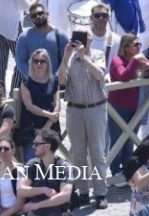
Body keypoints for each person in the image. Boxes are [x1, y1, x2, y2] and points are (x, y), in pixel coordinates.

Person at [57, 26, 108, 209]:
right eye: (77, 36)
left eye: (84, 37)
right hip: (74, 110)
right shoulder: (69, 59)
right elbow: (61, 81)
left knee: (97, 153)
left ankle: (100, 192)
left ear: (90, 41)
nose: (80, 40)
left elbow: (99, 75)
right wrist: (66, 57)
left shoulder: (97, 55)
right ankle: (83, 192)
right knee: (78, 155)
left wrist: (84, 57)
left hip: (95, 108)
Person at [109, 35, 149, 177]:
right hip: (118, 107)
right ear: (126, 46)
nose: (139, 46)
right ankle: (115, 171)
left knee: (129, 141)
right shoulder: (117, 60)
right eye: (135, 44)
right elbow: (123, 76)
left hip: (136, 107)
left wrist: (148, 66)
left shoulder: (139, 58)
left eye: (140, 44)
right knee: (117, 140)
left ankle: (127, 169)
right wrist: (135, 61)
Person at [18, 129, 74, 216]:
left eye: (36, 144)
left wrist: (37, 205)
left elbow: (65, 196)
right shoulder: (32, 164)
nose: (33, 146)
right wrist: (44, 190)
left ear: (47, 146)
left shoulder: (64, 167)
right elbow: (21, 190)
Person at [18, 49, 60, 161]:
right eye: (35, 61)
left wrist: (47, 125)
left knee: (48, 163)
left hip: (51, 128)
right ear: (31, 63)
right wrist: (49, 115)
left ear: (48, 63)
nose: (39, 64)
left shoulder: (54, 80)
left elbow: (57, 105)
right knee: (31, 163)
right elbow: (29, 106)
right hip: (31, 128)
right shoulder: (26, 80)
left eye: (42, 61)